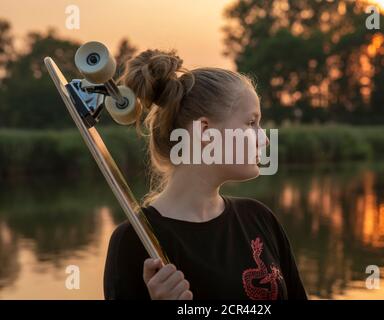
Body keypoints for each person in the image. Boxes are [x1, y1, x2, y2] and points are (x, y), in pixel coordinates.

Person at [103, 48, 308, 300]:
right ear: (204, 131)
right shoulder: (134, 240)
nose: (264, 139)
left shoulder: (260, 219)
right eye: (251, 123)